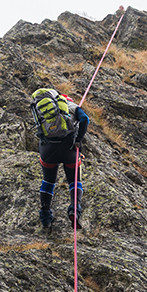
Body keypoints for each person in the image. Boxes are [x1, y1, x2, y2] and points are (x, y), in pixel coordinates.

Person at [30, 88, 91, 229]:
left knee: (48, 181)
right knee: (74, 180)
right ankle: (74, 209)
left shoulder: (39, 108)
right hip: (69, 149)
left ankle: (45, 215)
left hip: (47, 150)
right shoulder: (71, 106)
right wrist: (79, 140)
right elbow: (85, 119)